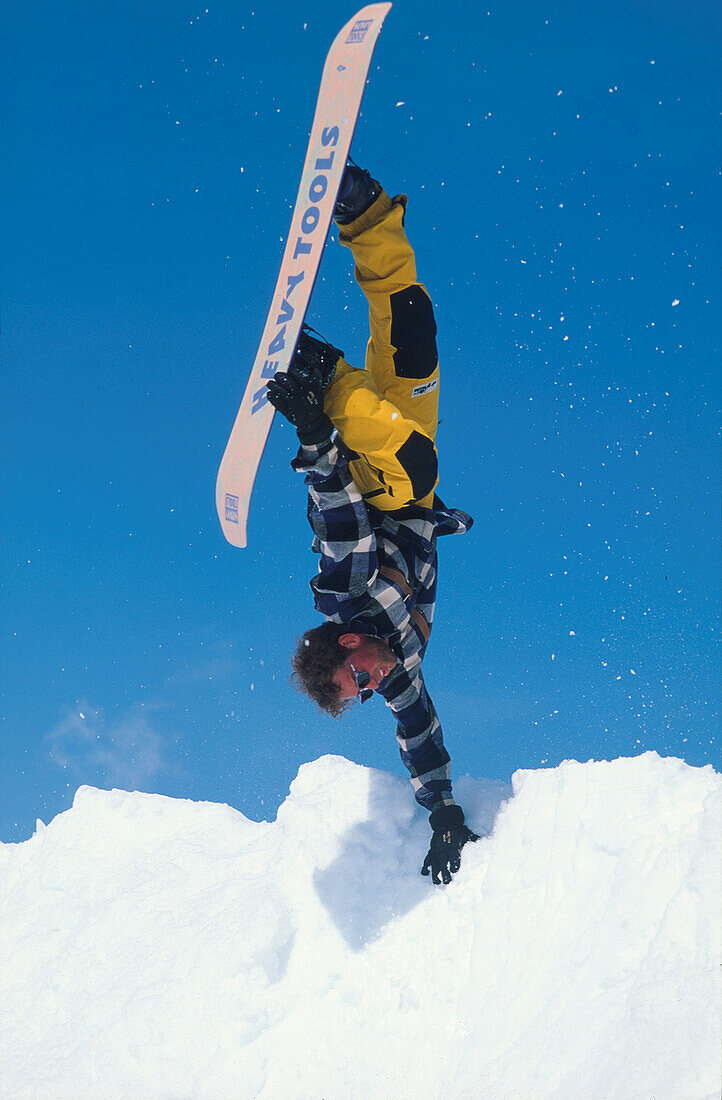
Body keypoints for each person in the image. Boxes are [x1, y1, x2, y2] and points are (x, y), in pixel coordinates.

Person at [267, 163, 478, 885]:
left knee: (414, 468)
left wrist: (315, 441)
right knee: (411, 327)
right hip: (405, 482)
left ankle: (324, 376)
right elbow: (419, 735)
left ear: (348, 642)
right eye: (364, 693)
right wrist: (443, 812)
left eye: (359, 676)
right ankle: (369, 220)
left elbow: (341, 523)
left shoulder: (343, 598)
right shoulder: (401, 672)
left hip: (375, 478)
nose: (374, 684)